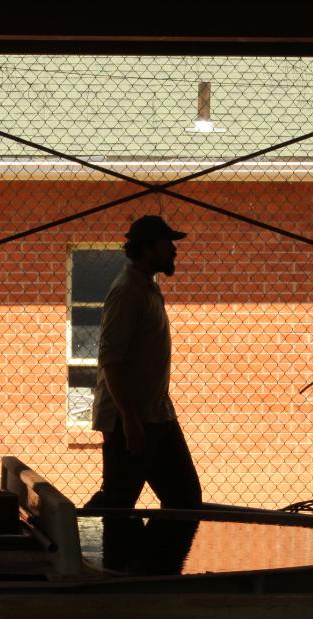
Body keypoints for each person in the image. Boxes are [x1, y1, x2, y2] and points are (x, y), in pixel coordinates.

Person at [84, 215, 202, 509]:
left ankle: (147, 555)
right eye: (167, 244)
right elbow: (111, 362)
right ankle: (80, 545)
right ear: (148, 247)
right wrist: (130, 420)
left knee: (183, 499)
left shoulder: (146, 286)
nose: (174, 250)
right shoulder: (127, 292)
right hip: (133, 420)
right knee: (119, 505)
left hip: (155, 415)